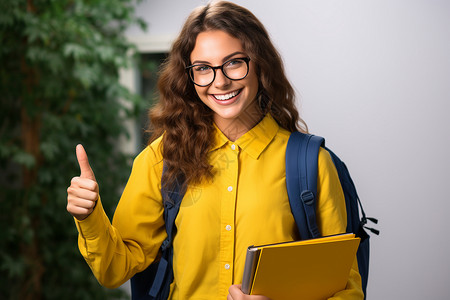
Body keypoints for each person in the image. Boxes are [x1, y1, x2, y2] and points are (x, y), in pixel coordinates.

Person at [66, 1, 364, 299]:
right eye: (203, 68)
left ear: (259, 63)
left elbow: (345, 289)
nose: (220, 82)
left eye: (234, 62)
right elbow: (114, 270)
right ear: (189, 75)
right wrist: (89, 216)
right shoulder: (161, 159)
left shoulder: (311, 164)